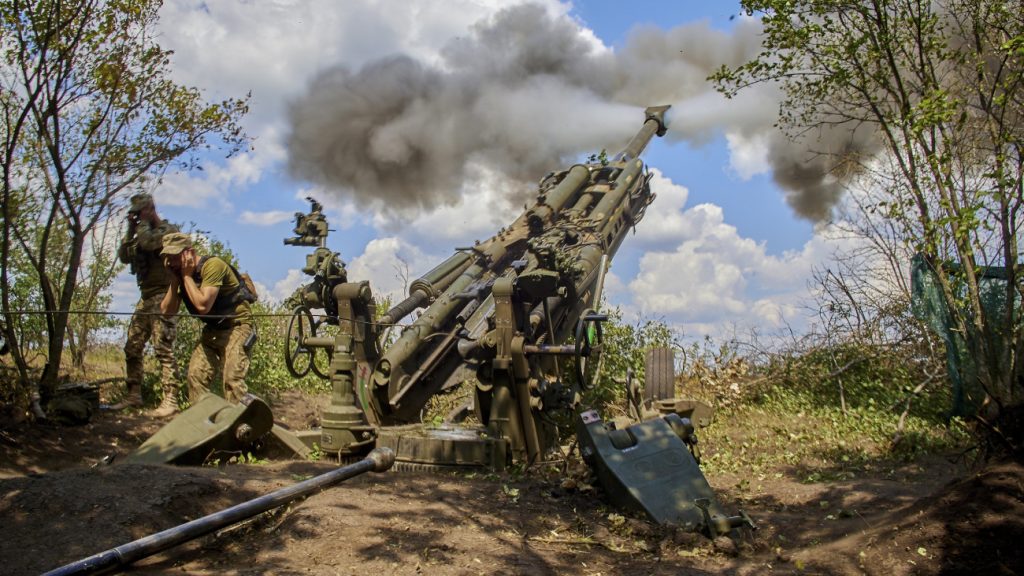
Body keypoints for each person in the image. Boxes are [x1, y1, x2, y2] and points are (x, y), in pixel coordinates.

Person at [160, 232, 256, 404]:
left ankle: (241, 426)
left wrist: (187, 276)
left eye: (175, 256)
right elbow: (167, 312)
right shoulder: (181, 275)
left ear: (189, 252)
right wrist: (175, 281)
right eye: (168, 257)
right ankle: (204, 424)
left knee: (232, 380)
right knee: (195, 376)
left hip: (237, 327)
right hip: (213, 331)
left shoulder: (212, 266)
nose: (171, 262)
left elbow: (203, 306)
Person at [115, 193, 180, 415]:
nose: (138, 217)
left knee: (163, 347)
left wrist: (142, 224)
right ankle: (134, 395)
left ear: (151, 209)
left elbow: (149, 243)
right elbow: (124, 256)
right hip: (146, 297)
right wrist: (129, 230)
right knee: (132, 345)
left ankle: (170, 400)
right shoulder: (139, 233)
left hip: (164, 294)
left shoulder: (167, 231)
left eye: (141, 211)